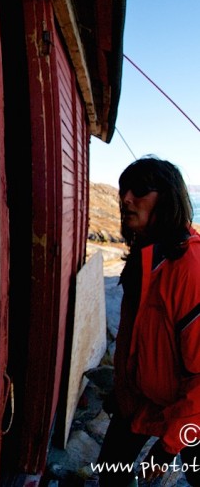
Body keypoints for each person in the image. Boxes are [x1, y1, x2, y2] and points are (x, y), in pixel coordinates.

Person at [97, 156, 200, 486]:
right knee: (110, 476)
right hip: (140, 403)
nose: (126, 198)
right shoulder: (143, 259)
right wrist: (123, 389)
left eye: (139, 190)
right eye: (124, 190)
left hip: (192, 411)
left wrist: (169, 447)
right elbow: (136, 339)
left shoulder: (190, 269)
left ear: (167, 198)